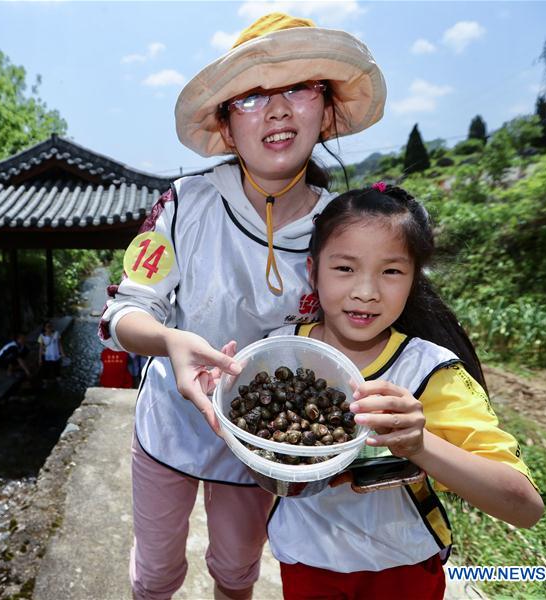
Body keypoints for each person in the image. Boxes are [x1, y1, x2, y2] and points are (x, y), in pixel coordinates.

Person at [98, 13, 387, 600]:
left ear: (327, 110)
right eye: (252, 96)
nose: (277, 110)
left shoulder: (347, 225)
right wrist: (169, 340)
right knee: (154, 573)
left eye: (299, 88)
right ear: (227, 126)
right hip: (172, 424)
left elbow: (366, 328)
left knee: (236, 570)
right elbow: (123, 312)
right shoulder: (184, 203)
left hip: (265, 437)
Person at [265, 184, 544, 599]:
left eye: (391, 271)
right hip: (306, 564)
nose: (366, 291)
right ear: (312, 270)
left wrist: (419, 443)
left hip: (401, 569)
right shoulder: (278, 353)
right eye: (344, 268)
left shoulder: (430, 371)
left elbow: (524, 507)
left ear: (414, 278)